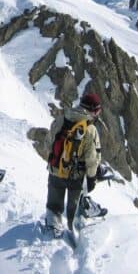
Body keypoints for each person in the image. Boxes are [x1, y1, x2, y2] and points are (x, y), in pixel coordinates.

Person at [44, 92, 103, 233]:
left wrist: (57, 163)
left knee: (53, 207)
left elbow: (47, 144)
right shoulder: (90, 129)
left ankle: (52, 228)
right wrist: (91, 178)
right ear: (93, 110)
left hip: (55, 172)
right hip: (76, 177)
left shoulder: (61, 119)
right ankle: (75, 234)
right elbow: (92, 159)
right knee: (74, 210)